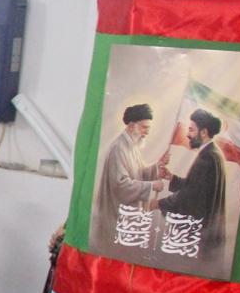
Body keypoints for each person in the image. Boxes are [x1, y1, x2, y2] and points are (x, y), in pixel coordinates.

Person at [91, 103, 165, 250]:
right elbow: (121, 185)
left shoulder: (131, 145)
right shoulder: (119, 148)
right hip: (116, 217)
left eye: (148, 128)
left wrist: (157, 166)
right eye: (144, 127)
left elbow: (139, 173)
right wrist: (152, 185)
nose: (147, 132)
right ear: (131, 126)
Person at [154, 108, 227, 256]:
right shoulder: (213, 152)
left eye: (191, 130)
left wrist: (159, 203)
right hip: (209, 230)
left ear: (204, 132)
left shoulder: (207, 157)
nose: (188, 134)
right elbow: (197, 186)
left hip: (202, 234)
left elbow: (190, 195)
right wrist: (172, 177)